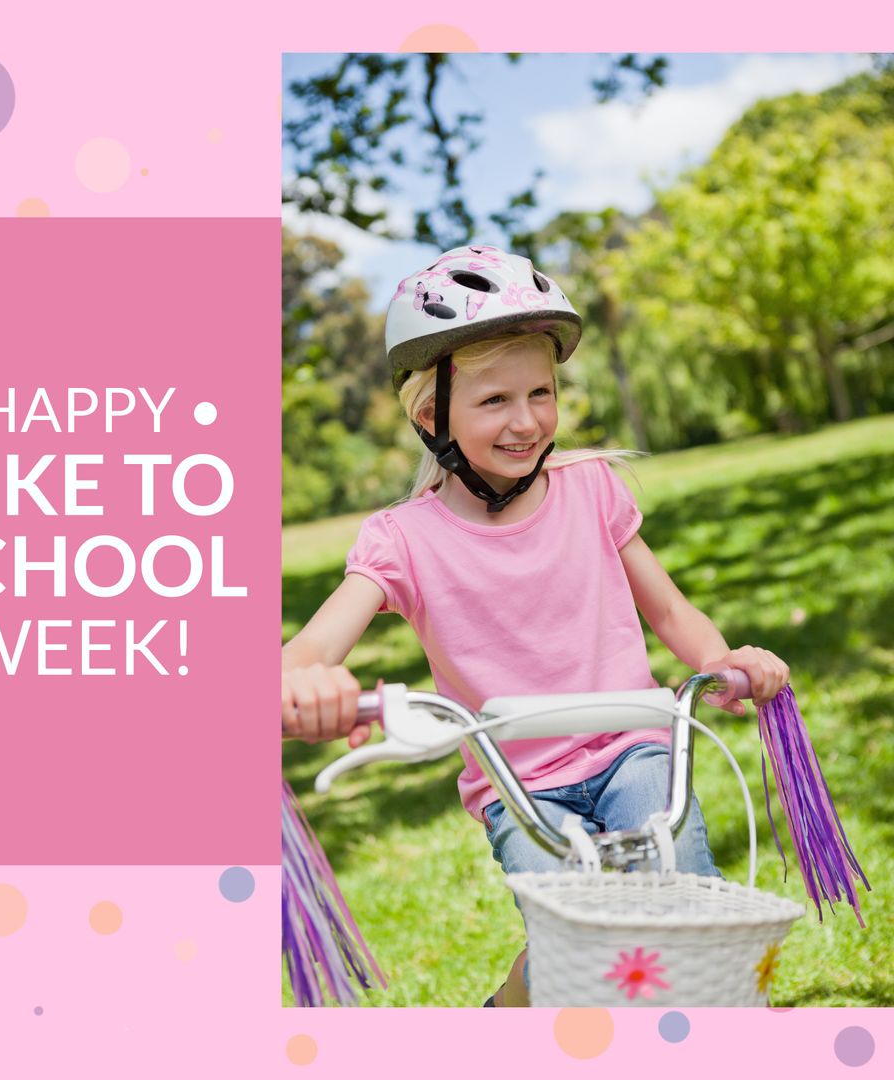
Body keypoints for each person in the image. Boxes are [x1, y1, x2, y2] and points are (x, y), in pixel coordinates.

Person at [281, 245, 790, 1007]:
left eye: (541, 393)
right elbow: (311, 648)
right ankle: (511, 1017)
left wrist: (724, 661)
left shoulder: (590, 490)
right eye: (494, 402)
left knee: (678, 902)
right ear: (432, 416)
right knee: (574, 946)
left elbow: (670, 609)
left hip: (632, 745)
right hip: (519, 783)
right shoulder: (403, 540)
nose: (526, 422)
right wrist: (301, 683)